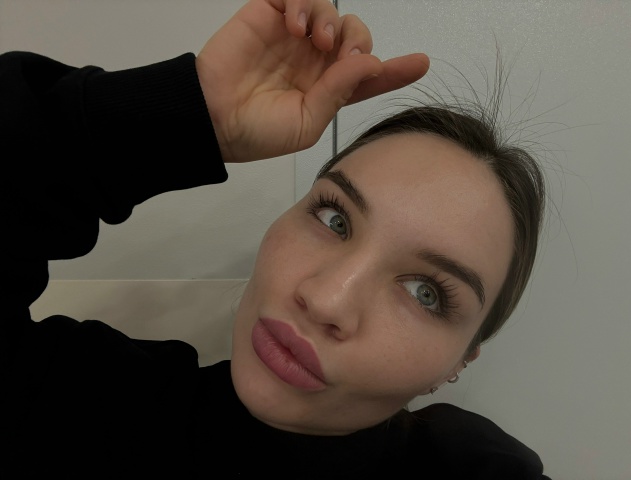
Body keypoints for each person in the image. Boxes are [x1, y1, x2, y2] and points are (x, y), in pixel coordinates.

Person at [1, 0, 551, 478]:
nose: (326, 300)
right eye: (335, 220)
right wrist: (193, 112)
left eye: (425, 292)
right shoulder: (83, 407)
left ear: (459, 362)